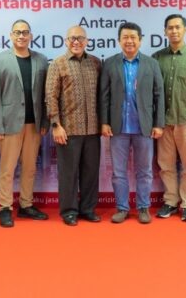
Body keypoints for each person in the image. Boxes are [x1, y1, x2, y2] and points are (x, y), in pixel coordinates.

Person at [100, 22, 165, 224]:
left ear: (140, 40)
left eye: (133, 37)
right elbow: (104, 96)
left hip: (144, 127)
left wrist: (158, 124)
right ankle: (122, 208)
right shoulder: (110, 63)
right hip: (117, 127)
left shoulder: (151, 64)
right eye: (125, 37)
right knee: (118, 172)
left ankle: (143, 207)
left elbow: (159, 95)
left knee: (144, 171)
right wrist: (104, 122)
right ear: (119, 40)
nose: (129, 41)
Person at [0, 20, 50, 228]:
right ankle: (5, 207)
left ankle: (26, 205)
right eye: (17, 32)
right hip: (9, 124)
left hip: (34, 124)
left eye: (25, 32)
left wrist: (45, 120)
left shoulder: (41, 60)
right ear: (11, 35)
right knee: (7, 169)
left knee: (30, 167)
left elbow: (46, 94)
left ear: (30, 36)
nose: (21, 36)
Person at [152, 14, 186, 222]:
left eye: (178, 27)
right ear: (165, 31)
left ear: (185, 30)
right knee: (165, 165)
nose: (174, 31)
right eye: (170, 28)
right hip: (163, 122)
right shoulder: (157, 58)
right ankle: (170, 201)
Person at [46, 26, 102, 226]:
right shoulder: (58, 64)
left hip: (93, 129)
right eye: (72, 38)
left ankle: (88, 209)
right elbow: (50, 96)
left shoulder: (95, 63)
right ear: (66, 41)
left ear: (86, 41)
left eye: (80, 38)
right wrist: (56, 125)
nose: (76, 42)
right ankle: (69, 211)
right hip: (67, 130)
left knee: (91, 172)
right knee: (68, 174)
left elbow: (102, 95)